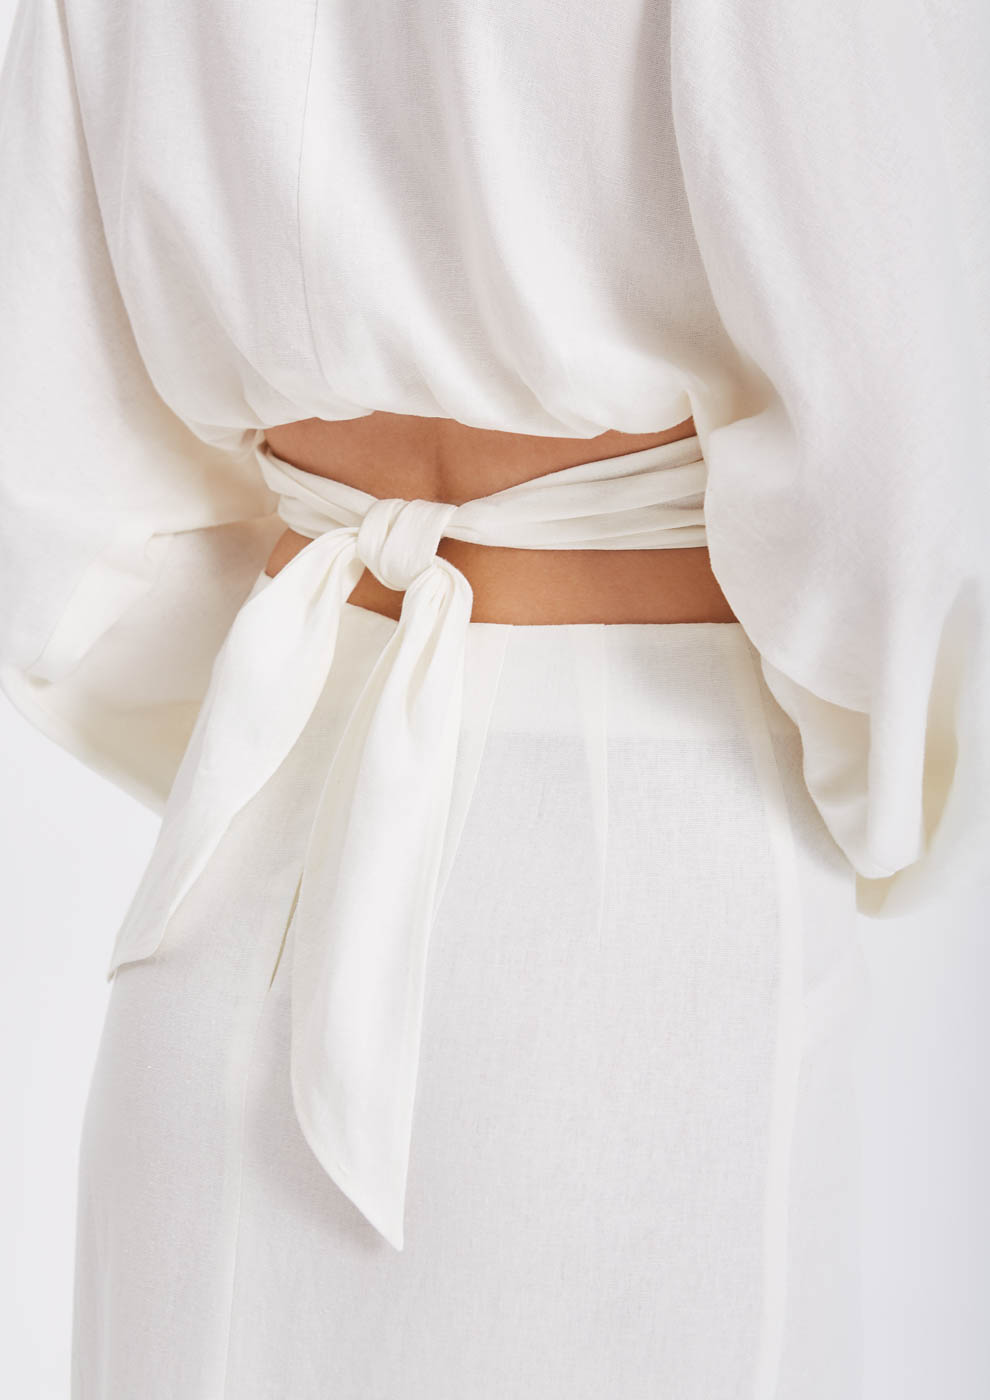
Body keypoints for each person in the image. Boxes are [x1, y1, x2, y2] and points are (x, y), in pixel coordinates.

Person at [0, 1, 987, 1396]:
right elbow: (899, 466)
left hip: (240, 885)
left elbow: (55, 491)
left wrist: (283, 739)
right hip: (644, 893)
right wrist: (889, 792)